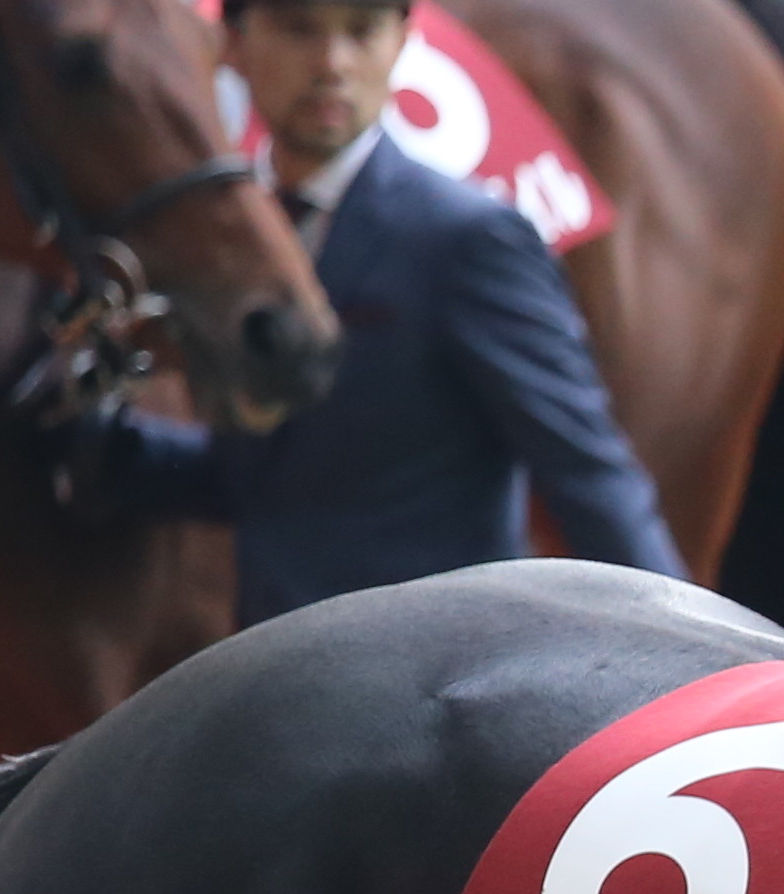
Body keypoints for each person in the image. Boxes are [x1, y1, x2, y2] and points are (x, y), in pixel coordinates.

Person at [58, 0, 685, 621]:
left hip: (441, 675)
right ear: (233, 46)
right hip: (274, 675)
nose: (333, 63)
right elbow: (281, 484)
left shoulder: (467, 239)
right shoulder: (235, 248)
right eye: (300, 29)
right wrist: (93, 442)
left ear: (401, 43)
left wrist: (698, 657)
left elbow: (586, 470)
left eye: (362, 32)